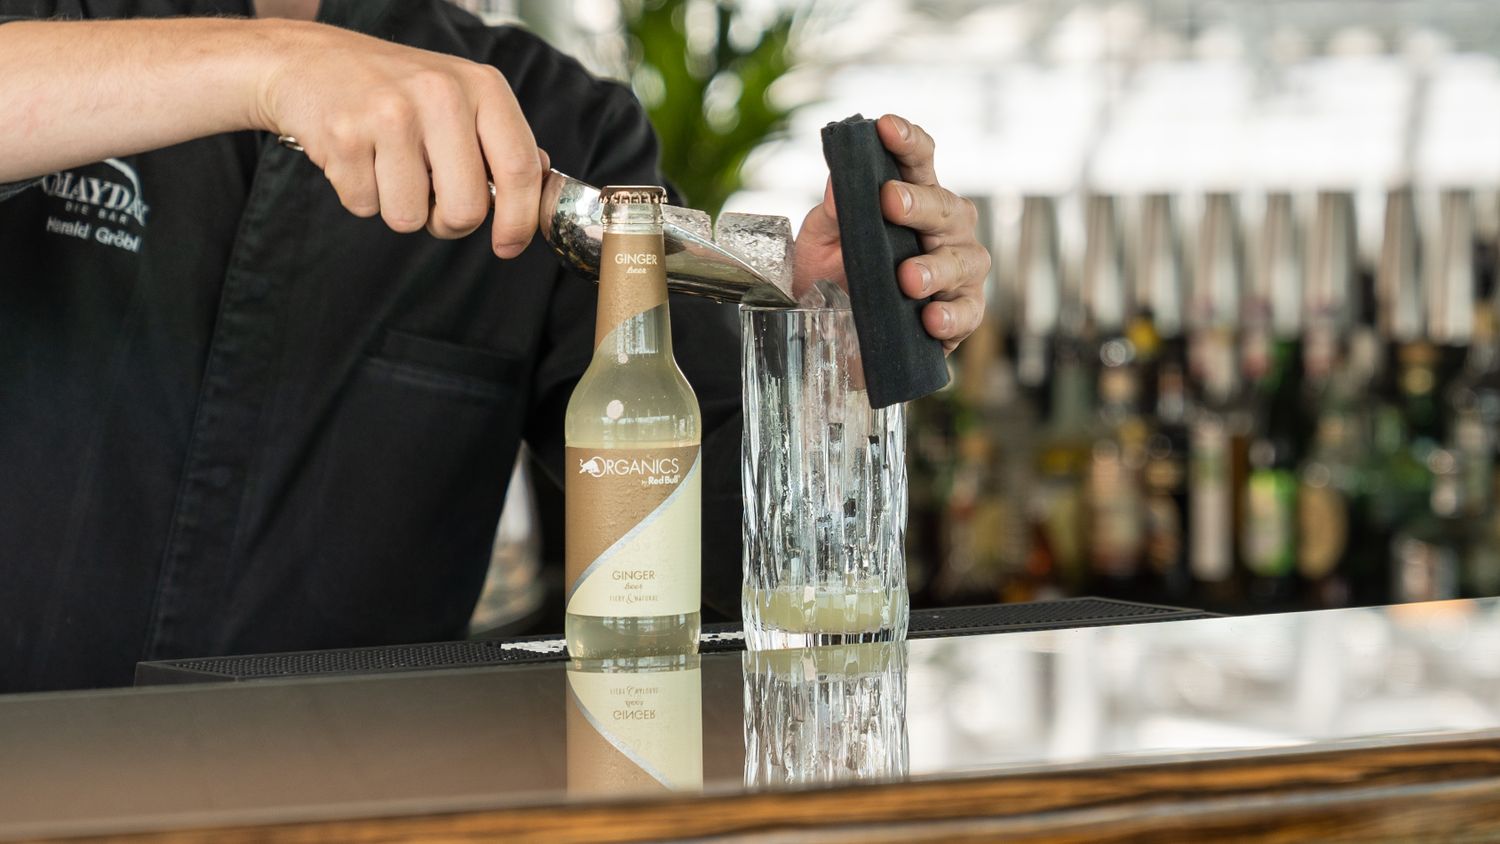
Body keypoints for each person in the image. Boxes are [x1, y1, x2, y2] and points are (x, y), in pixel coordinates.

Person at [0, 0, 991, 692]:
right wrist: (273, 64)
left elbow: (699, 546)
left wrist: (809, 347)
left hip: (366, 803)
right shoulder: (54, 26)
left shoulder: (560, 127)